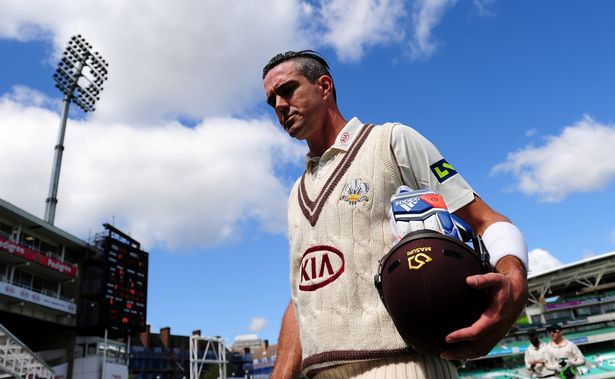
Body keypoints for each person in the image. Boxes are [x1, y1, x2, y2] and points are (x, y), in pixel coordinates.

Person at [262, 50, 529, 378]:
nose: (279, 105)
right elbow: (303, 292)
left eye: (287, 90)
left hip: (400, 364)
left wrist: (514, 283)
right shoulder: (295, 193)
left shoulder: (389, 141)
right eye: (271, 100)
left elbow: (486, 220)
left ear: (325, 86)